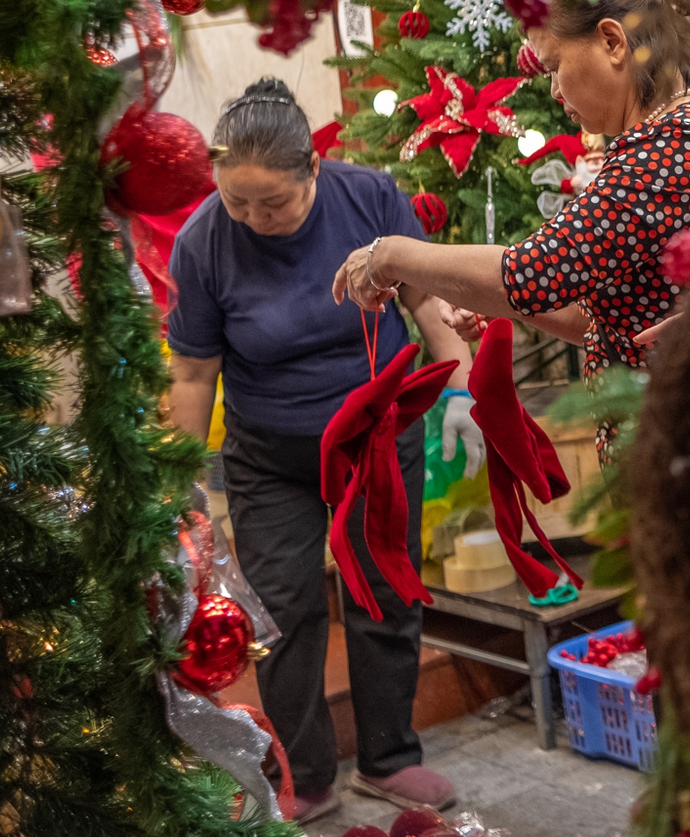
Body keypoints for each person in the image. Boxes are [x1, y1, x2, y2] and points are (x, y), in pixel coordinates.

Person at [165, 79, 477, 825]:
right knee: (283, 610)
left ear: (312, 168)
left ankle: (390, 757)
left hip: (376, 435)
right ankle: (302, 772)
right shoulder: (205, 240)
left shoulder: (368, 198)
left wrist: (462, 389)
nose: (252, 218)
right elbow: (191, 371)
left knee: (384, 590)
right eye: (237, 202)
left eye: (271, 202)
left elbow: (430, 303)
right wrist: (176, 477)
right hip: (270, 455)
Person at [330, 0, 690, 380]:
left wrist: (390, 253)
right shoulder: (671, 137)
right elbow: (596, 321)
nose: (555, 90)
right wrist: (491, 297)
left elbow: (529, 274)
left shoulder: (666, 150)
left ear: (612, 42)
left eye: (554, 66)